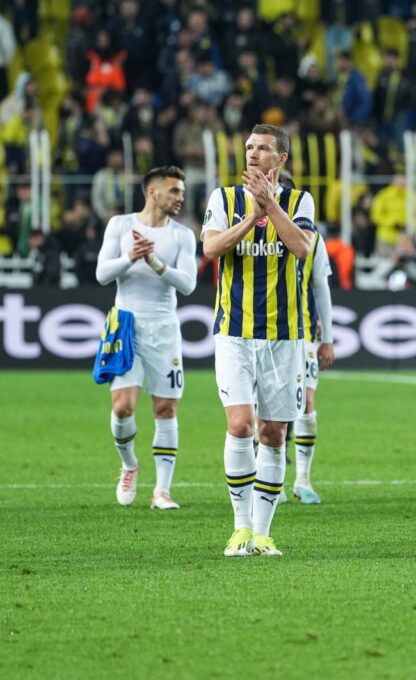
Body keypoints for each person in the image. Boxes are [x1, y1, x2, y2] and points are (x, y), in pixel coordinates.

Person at [201, 124, 315, 557]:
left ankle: (264, 535)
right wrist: (252, 215)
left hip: (283, 338)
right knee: (240, 425)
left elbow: (302, 248)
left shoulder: (300, 200)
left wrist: (272, 206)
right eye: (249, 147)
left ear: (280, 159)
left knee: (272, 433)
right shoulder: (223, 199)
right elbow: (212, 249)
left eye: (263, 148)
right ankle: (240, 528)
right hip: (234, 333)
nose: (253, 153)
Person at [95, 166, 196, 509]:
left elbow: (189, 285)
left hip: (164, 328)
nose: (180, 197)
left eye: (181, 192)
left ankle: (162, 491)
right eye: (174, 191)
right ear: (152, 193)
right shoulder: (121, 226)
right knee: (122, 408)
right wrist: (130, 257)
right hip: (126, 327)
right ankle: (129, 465)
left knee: (165, 408)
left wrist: (154, 262)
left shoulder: (182, 235)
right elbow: (101, 274)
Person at [290, 173, 336, 505]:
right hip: (259, 333)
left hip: (303, 334)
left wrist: (329, 337)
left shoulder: (313, 238)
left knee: (306, 404)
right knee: (263, 412)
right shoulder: (251, 229)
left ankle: (303, 479)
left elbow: (321, 285)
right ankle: (270, 480)